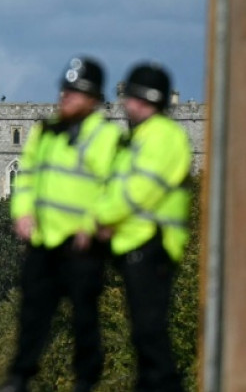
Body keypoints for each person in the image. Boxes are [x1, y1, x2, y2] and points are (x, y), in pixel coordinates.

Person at [0, 57, 122, 392]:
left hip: (83, 243)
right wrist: (22, 213)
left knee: (84, 320)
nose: (65, 97)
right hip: (46, 240)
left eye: (75, 92)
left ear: (93, 98)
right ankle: (19, 378)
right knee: (33, 314)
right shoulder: (46, 130)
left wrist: (96, 224)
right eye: (64, 89)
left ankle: (85, 380)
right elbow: (26, 178)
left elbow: (116, 189)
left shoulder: (107, 138)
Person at [90, 63, 191, 392]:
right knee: (143, 335)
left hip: (155, 245)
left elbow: (138, 191)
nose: (125, 105)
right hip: (134, 245)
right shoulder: (139, 137)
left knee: (151, 334)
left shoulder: (162, 137)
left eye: (131, 98)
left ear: (148, 100)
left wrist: (100, 218)